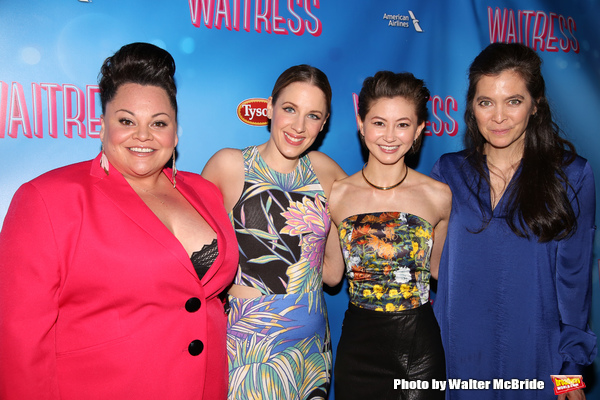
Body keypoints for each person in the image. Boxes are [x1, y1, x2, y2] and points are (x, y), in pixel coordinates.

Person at [0, 42, 238, 400]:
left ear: (175, 133)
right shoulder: (48, 199)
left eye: (159, 123)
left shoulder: (204, 191)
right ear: (101, 126)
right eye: (126, 121)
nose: (143, 135)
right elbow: (19, 339)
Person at [431, 42, 597, 400]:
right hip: (458, 360)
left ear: (536, 105)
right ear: (472, 108)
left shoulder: (571, 175)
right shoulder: (448, 172)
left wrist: (571, 374)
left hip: (537, 357)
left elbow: (574, 282)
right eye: (486, 102)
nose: (499, 117)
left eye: (514, 101)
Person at [202, 64, 346, 399]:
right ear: (269, 108)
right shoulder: (229, 166)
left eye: (313, 116)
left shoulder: (329, 174)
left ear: (324, 123)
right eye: (289, 109)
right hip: (249, 351)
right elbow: (195, 262)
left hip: (310, 354)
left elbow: (333, 275)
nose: (298, 126)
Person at [326, 71, 451, 400]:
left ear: (420, 129)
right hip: (357, 349)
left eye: (403, 124)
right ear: (360, 123)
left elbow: (441, 271)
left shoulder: (438, 195)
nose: (390, 136)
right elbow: (331, 274)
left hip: (418, 349)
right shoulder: (337, 195)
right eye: (379, 123)